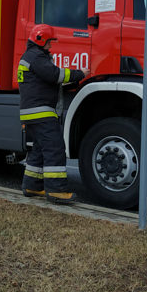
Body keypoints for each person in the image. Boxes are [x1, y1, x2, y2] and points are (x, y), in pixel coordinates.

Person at [18, 24, 88, 204]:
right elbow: (55, 75)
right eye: (49, 42)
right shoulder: (37, 57)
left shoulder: (30, 57)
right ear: (40, 40)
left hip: (31, 112)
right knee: (55, 148)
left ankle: (31, 185)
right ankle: (56, 190)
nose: (51, 46)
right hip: (41, 111)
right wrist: (80, 73)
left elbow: (47, 80)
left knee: (39, 149)